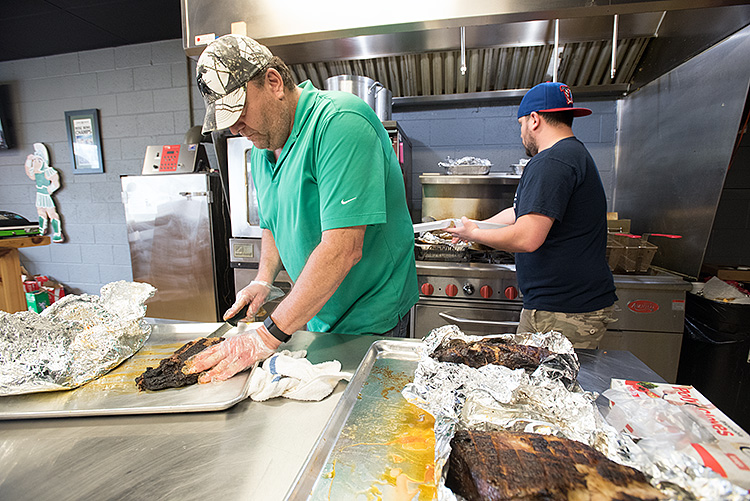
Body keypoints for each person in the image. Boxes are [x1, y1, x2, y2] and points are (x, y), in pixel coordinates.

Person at [184, 35, 418, 383]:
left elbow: (343, 249)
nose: (235, 127)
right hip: (317, 313)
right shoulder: (264, 149)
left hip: (372, 319)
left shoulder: (339, 122)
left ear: (274, 82)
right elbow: (272, 224)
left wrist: (266, 336)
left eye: (239, 110)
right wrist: (264, 280)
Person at [446, 82, 617, 349]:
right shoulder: (571, 154)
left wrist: (475, 235)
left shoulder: (551, 161)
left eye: (521, 124)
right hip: (561, 307)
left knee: (550, 389)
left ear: (534, 120)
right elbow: (520, 212)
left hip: (564, 313)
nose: (522, 132)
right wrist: (472, 226)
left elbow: (527, 237)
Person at [24, 142, 64, 243]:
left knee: (51, 213)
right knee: (40, 212)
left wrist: (50, 189)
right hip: (39, 194)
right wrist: (28, 161)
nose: (36, 162)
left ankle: (57, 233)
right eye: (35, 160)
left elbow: (55, 182)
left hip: (45, 194)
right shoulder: (36, 173)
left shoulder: (48, 171)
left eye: (38, 160)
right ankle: (42, 229)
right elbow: (29, 173)